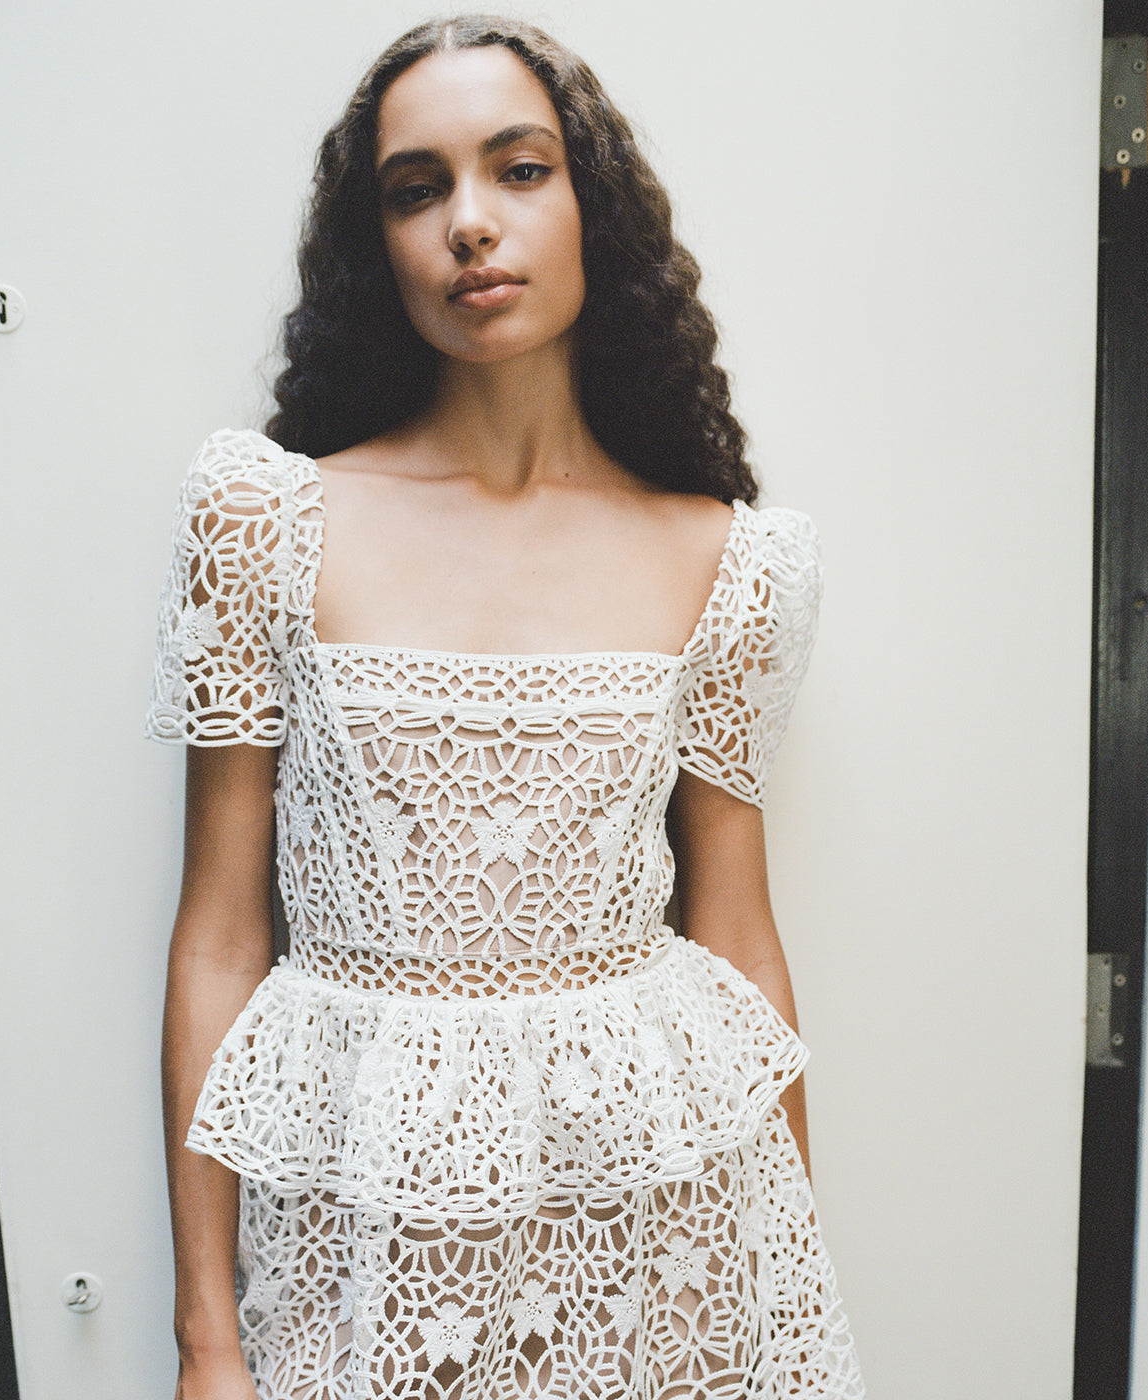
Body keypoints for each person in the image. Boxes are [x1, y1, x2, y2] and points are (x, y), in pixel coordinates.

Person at [149, 14, 864, 1399]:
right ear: (383, 246)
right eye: (419, 190)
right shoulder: (265, 520)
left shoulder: (730, 563)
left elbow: (735, 940)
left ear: (591, 206)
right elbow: (221, 940)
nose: (470, 222)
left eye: (517, 170)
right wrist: (208, 1338)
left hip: (652, 1229)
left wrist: (783, 1288)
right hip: (366, 1231)